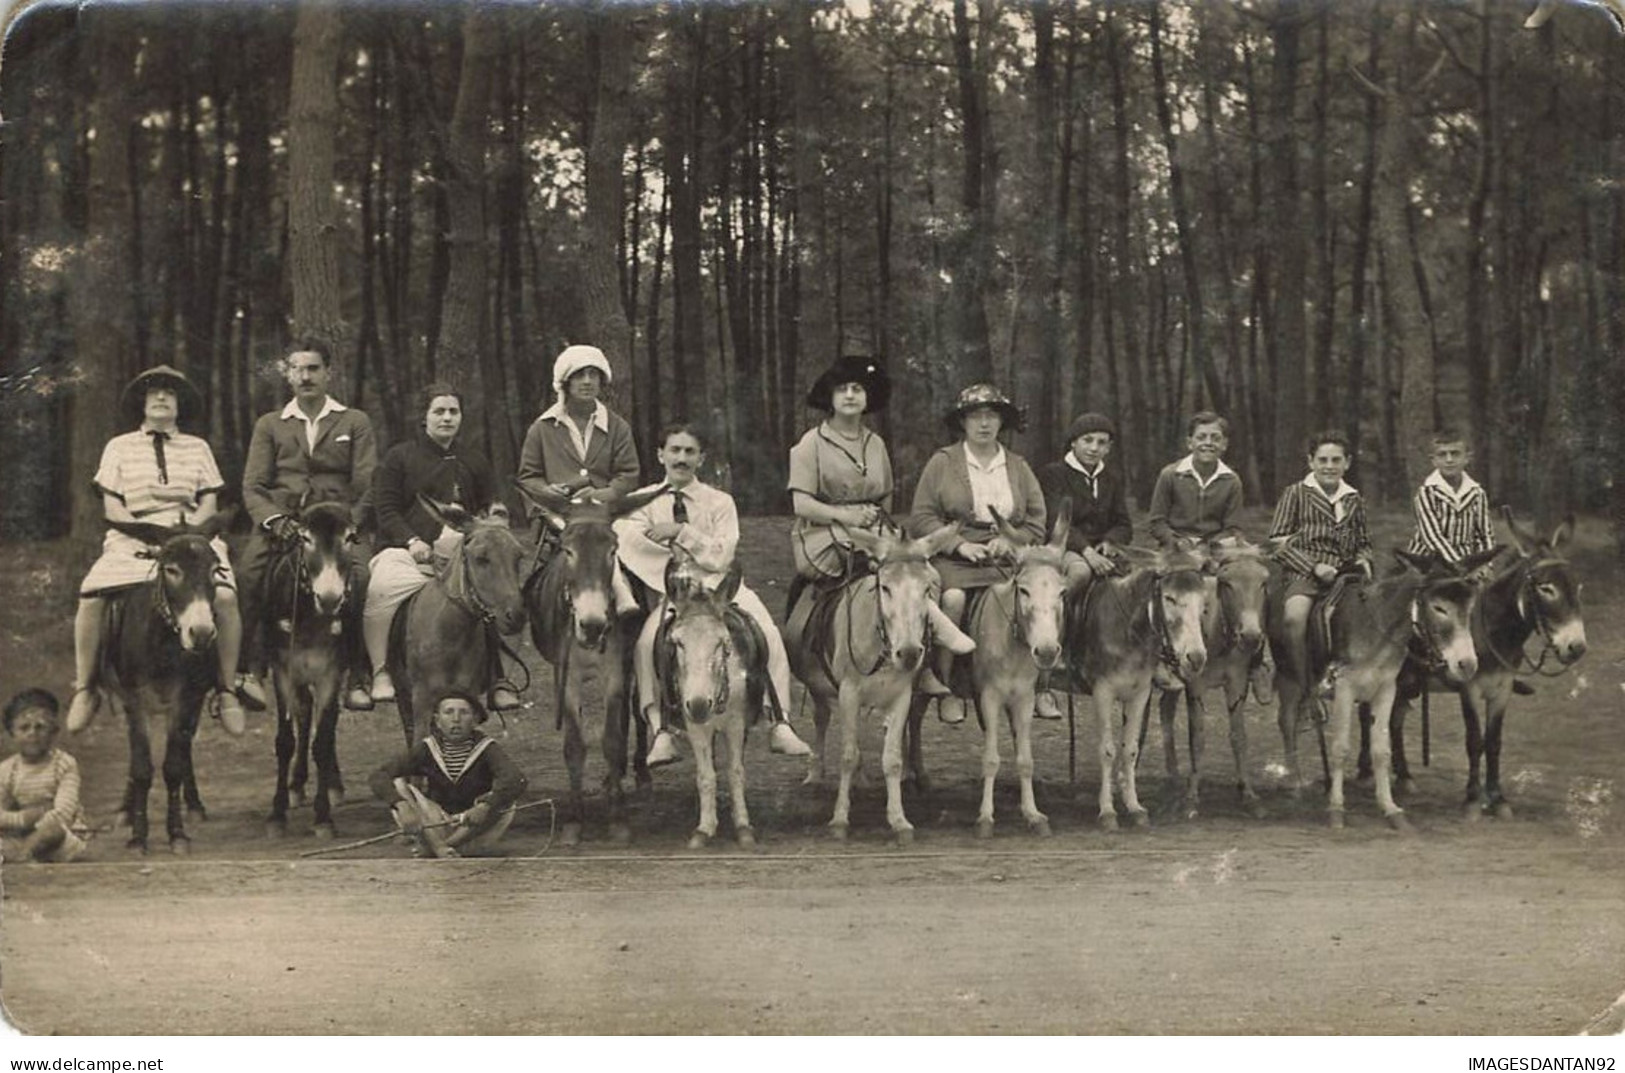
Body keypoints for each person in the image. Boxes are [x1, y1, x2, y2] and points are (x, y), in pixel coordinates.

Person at [66, 365, 251, 735]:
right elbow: (112, 507)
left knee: (227, 599)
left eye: (170, 392)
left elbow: (209, 503)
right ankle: (86, 687)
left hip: (192, 537)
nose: (162, 397)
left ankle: (228, 688)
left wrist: (191, 536)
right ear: (143, 402)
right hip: (133, 536)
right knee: (91, 596)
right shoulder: (118, 447)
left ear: (179, 404)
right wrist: (149, 532)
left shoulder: (197, 447)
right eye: (154, 392)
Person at [615, 423, 812, 766]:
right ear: (660, 455)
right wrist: (678, 566)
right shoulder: (641, 503)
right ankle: (662, 731)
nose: (681, 458)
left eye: (690, 452)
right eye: (674, 450)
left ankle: (779, 720)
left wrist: (682, 533)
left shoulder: (719, 502)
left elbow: (722, 553)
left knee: (767, 632)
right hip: (673, 591)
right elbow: (632, 545)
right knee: (647, 645)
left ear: (701, 459)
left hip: (721, 588)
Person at [240, 340, 378, 710]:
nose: (305, 376)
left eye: (313, 368)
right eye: (297, 369)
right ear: (287, 375)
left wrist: (354, 523)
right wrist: (274, 520)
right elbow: (253, 485)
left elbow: (368, 484)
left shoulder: (354, 421)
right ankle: (249, 669)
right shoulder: (270, 424)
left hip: (338, 524)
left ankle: (358, 674)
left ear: (328, 373)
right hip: (285, 522)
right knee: (250, 573)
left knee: (363, 578)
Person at [363, 382, 514, 710]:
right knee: (380, 588)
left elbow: (490, 504)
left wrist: (496, 517)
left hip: (462, 553)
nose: (447, 418)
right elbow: (385, 509)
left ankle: (497, 678)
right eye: (439, 411)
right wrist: (412, 540)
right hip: (406, 552)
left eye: (453, 411)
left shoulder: (474, 459)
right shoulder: (399, 457)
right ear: (424, 417)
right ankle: (379, 671)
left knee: (486, 590)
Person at [907, 383, 1047, 725]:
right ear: (963, 423)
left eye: (991, 416)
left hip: (1005, 561)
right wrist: (959, 545)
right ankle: (945, 686)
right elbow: (921, 517)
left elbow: (1037, 520)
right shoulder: (942, 462)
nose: (984, 424)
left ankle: (1040, 684)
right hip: (955, 558)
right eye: (975, 417)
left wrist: (1011, 541)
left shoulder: (1017, 466)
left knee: (1038, 595)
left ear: (1002, 423)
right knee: (952, 599)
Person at [516, 344, 641, 614]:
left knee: (604, 538)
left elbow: (628, 475)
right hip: (559, 514)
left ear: (602, 381)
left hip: (604, 513)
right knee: (577, 541)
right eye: (579, 375)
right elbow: (528, 478)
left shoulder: (617, 427)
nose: (587, 381)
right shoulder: (542, 428)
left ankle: (621, 595)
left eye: (593, 375)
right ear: (565, 382)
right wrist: (548, 492)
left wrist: (602, 496)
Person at [1032, 410, 1133, 718]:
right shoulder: (1054, 473)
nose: (1094, 447)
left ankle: (1123, 657)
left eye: (1102, 443)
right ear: (1074, 442)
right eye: (1087, 440)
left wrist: (1111, 542)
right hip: (1065, 546)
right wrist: (1088, 552)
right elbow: (1055, 520)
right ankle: (1057, 653)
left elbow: (1123, 522)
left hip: (1102, 550)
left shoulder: (1111, 478)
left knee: (1137, 585)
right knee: (1079, 575)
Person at [1269, 431, 1375, 696]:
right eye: (1323, 460)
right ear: (1311, 462)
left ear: (1347, 463)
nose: (1329, 466)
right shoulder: (1295, 493)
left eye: (1336, 460)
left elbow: (1364, 540)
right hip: (1305, 572)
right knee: (1295, 617)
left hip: (1346, 574)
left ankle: (1361, 678)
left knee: (1373, 615)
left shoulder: (1353, 498)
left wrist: (1364, 558)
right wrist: (1314, 567)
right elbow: (1278, 542)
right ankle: (1302, 682)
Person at [369, 690, 527, 859]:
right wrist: (401, 805)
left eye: (464, 713)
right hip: (435, 826)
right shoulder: (428, 748)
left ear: (474, 720)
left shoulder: (486, 748)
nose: (456, 719)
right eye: (448, 712)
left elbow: (516, 779)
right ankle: (439, 847)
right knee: (399, 784)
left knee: (505, 798)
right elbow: (379, 775)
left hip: (474, 828)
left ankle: (443, 848)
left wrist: (485, 805)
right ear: (437, 720)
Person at [2, 689, 88, 863]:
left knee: (52, 829)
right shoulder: (7, 769)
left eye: (40, 727)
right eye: (24, 728)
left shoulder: (63, 764)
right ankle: (22, 854)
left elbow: (64, 812)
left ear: (53, 731)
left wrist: (38, 824)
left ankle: (21, 857)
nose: (32, 733)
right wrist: (23, 819)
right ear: (12, 734)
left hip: (59, 838)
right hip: (21, 834)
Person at [1146, 411, 1244, 549]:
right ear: (1190, 443)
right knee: (1183, 570)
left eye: (1215, 438)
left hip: (1216, 549)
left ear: (1224, 444)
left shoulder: (1231, 480)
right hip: (1176, 548)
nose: (1208, 443)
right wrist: (1177, 541)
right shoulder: (1170, 475)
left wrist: (1211, 545)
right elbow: (1157, 523)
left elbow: (1233, 527)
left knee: (1248, 570)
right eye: (1201, 437)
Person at [1407, 430, 1496, 565]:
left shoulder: (1477, 493)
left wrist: (1484, 564)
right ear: (1434, 461)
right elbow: (1433, 537)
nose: (1449, 460)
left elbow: (1485, 535)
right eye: (1442, 455)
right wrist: (1459, 566)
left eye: (1455, 454)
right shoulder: (1426, 493)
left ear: (1467, 458)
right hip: (1428, 560)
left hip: (1467, 561)